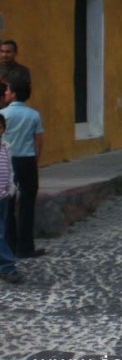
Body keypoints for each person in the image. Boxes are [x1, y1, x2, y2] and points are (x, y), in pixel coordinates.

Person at [3, 75, 45, 258]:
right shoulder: (34, 115)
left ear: (13, 94)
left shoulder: (4, 115)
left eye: (7, 90)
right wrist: (35, 161)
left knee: (7, 204)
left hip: (7, 161)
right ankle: (26, 247)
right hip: (27, 160)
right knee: (27, 204)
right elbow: (38, 141)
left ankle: (9, 245)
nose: (5, 92)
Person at [0, 114, 22, 283]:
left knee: (2, 231)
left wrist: (12, 188)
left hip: (3, 197)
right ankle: (8, 266)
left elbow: (10, 170)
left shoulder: (6, 147)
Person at [0, 40, 31, 109]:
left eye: (8, 52)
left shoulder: (22, 71)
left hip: (14, 107)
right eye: (2, 51)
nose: (4, 55)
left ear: (15, 53)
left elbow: (24, 92)